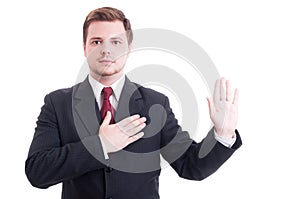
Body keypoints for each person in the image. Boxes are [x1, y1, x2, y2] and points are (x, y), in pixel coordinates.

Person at [25, 7, 242, 199]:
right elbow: (37, 172)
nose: (106, 50)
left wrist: (222, 134)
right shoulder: (57, 103)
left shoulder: (155, 103)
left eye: (116, 42)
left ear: (128, 48)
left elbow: (191, 166)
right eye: (96, 41)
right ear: (85, 48)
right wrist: (100, 146)